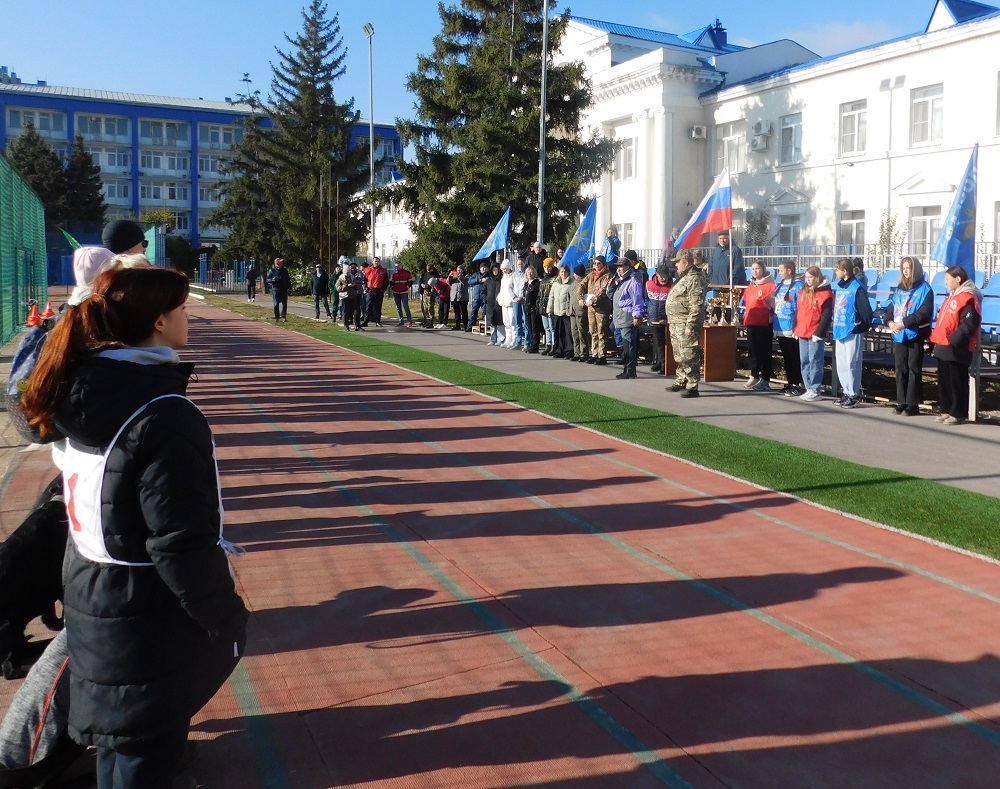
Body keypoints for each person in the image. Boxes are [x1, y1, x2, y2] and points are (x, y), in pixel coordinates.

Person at [20, 265, 248, 789]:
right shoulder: (165, 413)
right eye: (186, 309)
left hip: (90, 580)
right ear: (162, 321)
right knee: (142, 740)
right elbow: (179, 541)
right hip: (143, 601)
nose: (190, 318)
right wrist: (223, 613)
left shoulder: (78, 384)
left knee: (127, 733)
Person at [879, 256, 934, 415]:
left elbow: (924, 313)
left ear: (915, 269)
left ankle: (913, 404)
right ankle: (901, 401)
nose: (905, 271)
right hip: (898, 333)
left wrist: (905, 323)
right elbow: (891, 307)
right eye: (903, 268)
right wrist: (889, 322)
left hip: (915, 333)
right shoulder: (899, 288)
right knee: (900, 367)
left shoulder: (925, 289)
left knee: (913, 368)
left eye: (908, 268)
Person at [930, 265, 982, 425]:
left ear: (958, 279)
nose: (945, 283)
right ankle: (946, 408)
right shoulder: (952, 296)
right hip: (943, 343)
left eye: (948, 279)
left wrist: (954, 340)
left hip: (956, 347)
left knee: (956, 380)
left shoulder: (968, 297)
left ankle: (958, 412)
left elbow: (969, 323)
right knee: (944, 379)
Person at [831, 257, 873, 409]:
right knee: (842, 363)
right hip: (840, 329)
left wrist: (861, 325)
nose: (835, 273)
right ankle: (846, 392)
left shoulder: (857, 287)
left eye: (837, 270)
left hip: (853, 331)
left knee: (852, 363)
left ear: (845, 271)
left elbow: (866, 312)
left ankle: (854, 394)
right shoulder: (841, 287)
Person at [664, 250, 707, 397]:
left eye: (678, 262)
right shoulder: (683, 278)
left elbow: (696, 305)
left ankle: (692, 385)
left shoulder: (695, 279)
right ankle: (681, 380)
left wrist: (690, 325)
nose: (676, 265)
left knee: (689, 354)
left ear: (686, 262)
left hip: (685, 323)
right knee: (679, 354)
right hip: (676, 323)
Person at [793, 265, 833, 402]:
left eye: (811, 277)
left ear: (817, 277)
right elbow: (798, 312)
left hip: (815, 332)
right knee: (804, 360)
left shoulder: (825, 294)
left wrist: (819, 332)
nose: (808, 280)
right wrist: (795, 328)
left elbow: (826, 315)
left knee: (815, 360)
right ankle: (808, 387)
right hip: (802, 330)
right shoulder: (803, 291)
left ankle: (815, 389)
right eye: (807, 277)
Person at [741, 261, 777, 391]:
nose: (755, 271)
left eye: (757, 269)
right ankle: (754, 374)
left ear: (763, 270)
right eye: (753, 269)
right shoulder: (750, 285)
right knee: (752, 350)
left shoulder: (770, 285)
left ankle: (765, 378)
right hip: (751, 321)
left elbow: (773, 303)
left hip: (764, 322)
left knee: (764, 351)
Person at [773, 260, 805, 396]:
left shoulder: (798, 286)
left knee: (794, 357)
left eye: (781, 270)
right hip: (779, 325)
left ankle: (797, 384)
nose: (779, 273)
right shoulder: (780, 285)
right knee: (786, 357)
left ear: (789, 271)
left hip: (791, 327)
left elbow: (801, 307)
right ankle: (790, 382)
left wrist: (797, 325)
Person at [611, 257, 645, 379]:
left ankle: (630, 370)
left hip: (627, 316)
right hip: (619, 316)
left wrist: (637, 315)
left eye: (621, 266)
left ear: (627, 266)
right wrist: (610, 285)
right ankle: (627, 369)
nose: (618, 269)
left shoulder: (633, 280)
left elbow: (637, 300)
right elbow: (611, 295)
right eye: (617, 266)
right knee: (625, 345)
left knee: (629, 345)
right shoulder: (619, 280)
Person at [578, 256, 613, 365]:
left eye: (599, 263)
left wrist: (592, 300)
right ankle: (594, 353)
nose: (597, 265)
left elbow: (603, 290)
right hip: (590, 308)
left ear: (603, 264)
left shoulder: (607, 276)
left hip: (601, 307)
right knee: (592, 331)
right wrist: (580, 297)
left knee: (601, 331)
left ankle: (602, 355)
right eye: (595, 263)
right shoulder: (591, 275)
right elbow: (582, 285)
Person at [646, 263, 672, 374]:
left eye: (666, 276)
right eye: (661, 276)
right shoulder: (649, 284)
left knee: (663, 342)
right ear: (656, 274)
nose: (664, 278)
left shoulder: (672, 286)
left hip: (666, 319)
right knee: (657, 342)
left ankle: (664, 364)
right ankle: (659, 362)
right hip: (653, 318)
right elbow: (646, 299)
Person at [547, 264, 576, 359]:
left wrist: (569, 309)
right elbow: (551, 297)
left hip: (566, 312)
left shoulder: (571, 283)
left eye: (565, 271)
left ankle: (568, 351)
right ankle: (559, 350)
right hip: (557, 311)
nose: (563, 273)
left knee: (567, 333)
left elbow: (571, 298)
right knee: (558, 332)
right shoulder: (555, 283)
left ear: (568, 272)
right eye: (561, 271)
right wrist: (549, 309)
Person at [708, 230, 747, 299]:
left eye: (724, 238)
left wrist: (730, 280)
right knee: (717, 308)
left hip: (729, 287)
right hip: (716, 286)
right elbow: (711, 266)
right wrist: (711, 279)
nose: (722, 240)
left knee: (728, 308)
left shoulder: (735, 250)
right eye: (720, 238)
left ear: (729, 238)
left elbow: (738, 267)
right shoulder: (715, 251)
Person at [570, 264, 591, 362]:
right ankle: (576, 352)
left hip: (581, 311)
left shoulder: (584, 282)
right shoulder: (573, 283)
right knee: (574, 333)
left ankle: (584, 353)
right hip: (572, 311)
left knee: (582, 332)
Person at [336, 261, 363, 330]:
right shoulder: (340, 279)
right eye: (347, 272)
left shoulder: (353, 278)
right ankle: (346, 325)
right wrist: (346, 286)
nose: (348, 274)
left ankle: (358, 325)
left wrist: (354, 285)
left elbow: (358, 286)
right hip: (344, 297)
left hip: (353, 296)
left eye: (349, 272)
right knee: (345, 311)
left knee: (356, 311)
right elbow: (338, 288)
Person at [538, 258, 558, 355]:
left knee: (552, 327)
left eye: (549, 267)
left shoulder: (555, 278)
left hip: (550, 306)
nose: (547, 269)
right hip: (543, 306)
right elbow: (540, 293)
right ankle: (548, 344)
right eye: (545, 267)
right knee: (546, 327)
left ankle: (554, 346)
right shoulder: (543, 279)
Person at [362, 256, 388, 327]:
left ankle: (378, 322)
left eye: (377, 261)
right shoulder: (368, 270)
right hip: (370, 290)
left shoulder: (383, 270)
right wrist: (366, 288)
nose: (376, 262)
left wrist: (383, 289)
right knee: (368, 307)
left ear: (379, 262)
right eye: (375, 261)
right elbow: (364, 280)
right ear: (372, 262)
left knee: (378, 307)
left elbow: (386, 281)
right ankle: (365, 321)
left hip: (379, 290)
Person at [510, 254, 528, 348]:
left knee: (526, 322)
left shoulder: (527, 273)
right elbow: (510, 287)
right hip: (516, 301)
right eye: (518, 264)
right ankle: (518, 342)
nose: (520, 265)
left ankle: (527, 343)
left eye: (521, 264)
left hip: (524, 300)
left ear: (524, 264)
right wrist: (514, 297)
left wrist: (523, 297)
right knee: (518, 322)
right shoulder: (514, 275)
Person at [523, 266, 542, 353]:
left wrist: (536, 308)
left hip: (534, 309)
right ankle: (531, 344)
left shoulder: (537, 283)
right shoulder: (526, 284)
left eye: (531, 272)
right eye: (528, 272)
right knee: (529, 328)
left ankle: (535, 346)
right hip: (527, 308)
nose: (529, 274)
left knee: (535, 329)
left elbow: (538, 297)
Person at [485, 262, 504, 346]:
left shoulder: (502, 280)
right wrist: (485, 299)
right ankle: (493, 339)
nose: (495, 271)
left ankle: (501, 340)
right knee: (492, 323)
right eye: (493, 270)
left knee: (500, 323)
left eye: (496, 269)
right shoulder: (488, 281)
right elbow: (483, 291)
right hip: (490, 304)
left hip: (499, 304)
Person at [497, 260, 516, 348]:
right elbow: (502, 290)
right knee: (506, 321)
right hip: (504, 302)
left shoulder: (513, 277)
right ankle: (508, 338)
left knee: (512, 321)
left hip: (511, 302)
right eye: (503, 269)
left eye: (505, 269)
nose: (504, 271)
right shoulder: (503, 278)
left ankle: (514, 339)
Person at [266, 257, 291, 321]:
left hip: (283, 289)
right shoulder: (272, 270)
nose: (282, 263)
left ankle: (283, 316)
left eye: (282, 262)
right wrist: (273, 279)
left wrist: (289, 287)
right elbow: (268, 279)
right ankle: (277, 316)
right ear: (277, 263)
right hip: (276, 289)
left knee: (284, 303)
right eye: (280, 262)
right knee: (276, 303)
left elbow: (288, 279)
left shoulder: (284, 270)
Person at [466, 261, 489, 331]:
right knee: (474, 311)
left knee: (486, 311)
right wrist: (479, 280)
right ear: (480, 268)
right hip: (476, 296)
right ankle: (471, 325)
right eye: (482, 268)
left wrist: (487, 280)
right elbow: (469, 281)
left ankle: (487, 325)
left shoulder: (489, 275)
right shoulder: (476, 275)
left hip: (485, 297)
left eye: (485, 268)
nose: (484, 269)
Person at [418, 262, 439, 328]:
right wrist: (422, 285)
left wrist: (429, 286)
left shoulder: (435, 275)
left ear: (432, 269)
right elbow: (421, 281)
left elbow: (436, 283)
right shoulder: (425, 273)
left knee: (430, 307)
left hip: (431, 292)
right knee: (425, 307)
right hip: (425, 292)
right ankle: (427, 320)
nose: (428, 272)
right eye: (428, 270)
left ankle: (431, 321)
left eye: (430, 270)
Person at [449, 264, 469, 330]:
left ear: (462, 271)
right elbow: (448, 283)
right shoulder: (454, 277)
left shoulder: (466, 276)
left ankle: (465, 324)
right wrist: (450, 277)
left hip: (462, 297)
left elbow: (465, 283)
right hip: (455, 297)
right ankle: (457, 325)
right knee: (456, 312)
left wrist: (460, 277)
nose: (458, 271)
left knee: (463, 312)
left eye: (460, 270)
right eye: (457, 270)